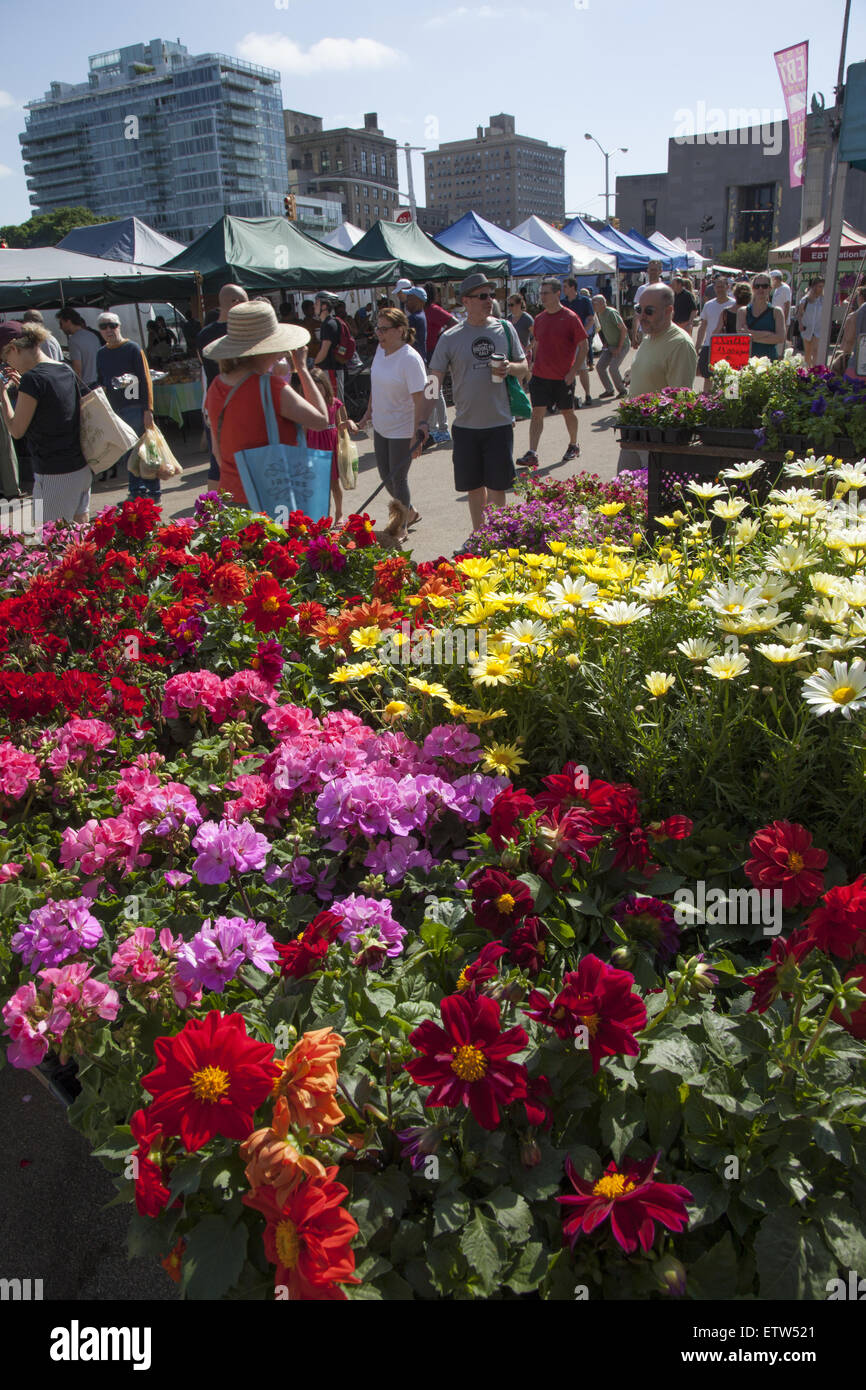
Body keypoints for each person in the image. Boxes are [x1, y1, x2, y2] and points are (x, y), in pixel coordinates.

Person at [429, 273, 529, 544]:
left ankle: (499, 536)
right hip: (466, 425)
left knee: (498, 486)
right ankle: (480, 535)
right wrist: (423, 409)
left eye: (491, 296)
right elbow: (434, 374)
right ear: (466, 301)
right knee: (474, 487)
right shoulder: (450, 337)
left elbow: (524, 367)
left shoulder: (505, 329)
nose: (489, 301)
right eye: (482, 296)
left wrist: (510, 368)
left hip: (499, 422)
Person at [203, 300, 329, 511]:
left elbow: (217, 451)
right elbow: (321, 420)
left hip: (231, 496)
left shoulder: (216, 385)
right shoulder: (270, 387)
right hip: (271, 496)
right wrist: (302, 369)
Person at [0, 321, 91, 524]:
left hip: (55, 473)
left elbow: (16, 430)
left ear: (14, 348)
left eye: (6, 358)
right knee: (79, 543)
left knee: (51, 547)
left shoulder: (32, 380)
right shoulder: (63, 368)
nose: (8, 364)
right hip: (81, 468)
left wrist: (2, 396)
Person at [357, 306, 429, 540]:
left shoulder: (410, 359)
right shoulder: (381, 350)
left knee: (398, 479)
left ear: (400, 330)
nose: (379, 333)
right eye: (377, 328)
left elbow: (421, 397)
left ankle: (400, 527)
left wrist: (418, 431)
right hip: (381, 425)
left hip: (403, 428)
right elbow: (375, 384)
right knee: (385, 475)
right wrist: (368, 411)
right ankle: (410, 512)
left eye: (384, 329)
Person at [518, 277, 586, 469]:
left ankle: (574, 445)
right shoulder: (539, 319)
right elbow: (538, 343)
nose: (542, 296)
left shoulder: (570, 318)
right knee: (537, 414)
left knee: (567, 412)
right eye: (541, 293)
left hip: (563, 377)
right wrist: (531, 366)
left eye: (546, 293)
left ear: (558, 294)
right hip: (540, 376)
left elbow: (584, 346)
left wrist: (573, 372)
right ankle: (532, 453)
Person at [95, 312, 156, 502]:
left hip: (135, 406)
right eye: (103, 327)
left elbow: (146, 380)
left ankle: (152, 491)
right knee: (128, 452)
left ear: (119, 326)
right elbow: (102, 380)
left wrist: (148, 410)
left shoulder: (132, 348)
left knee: (144, 451)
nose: (108, 330)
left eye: (112, 325)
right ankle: (136, 491)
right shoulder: (101, 353)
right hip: (116, 409)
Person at [197, 284, 249, 483]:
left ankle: (214, 511)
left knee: (218, 463)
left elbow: (204, 367)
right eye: (245, 301)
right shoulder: (240, 331)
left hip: (214, 402)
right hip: (236, 404)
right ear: (235, 303)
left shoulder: (203, 335)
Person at [306, 364, 359, 528]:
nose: (316, 391)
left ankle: (339, 513)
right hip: (313, 445)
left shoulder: (335, 403)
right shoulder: (306, 404)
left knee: (334, 484)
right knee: (317, 484)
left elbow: (341, 423)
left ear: (325, 386)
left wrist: (349, 423)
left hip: (330, 445)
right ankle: (322, 516)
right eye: (312, 387)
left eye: (319, 387)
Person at [628, 285, 697, 398]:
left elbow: (681, 400)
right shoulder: (649, 336)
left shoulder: (680, 344)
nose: (642, 316)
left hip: (653, 415)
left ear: (668, 311)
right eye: (639, 309)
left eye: (649, 311)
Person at [422, 282, 457, 444]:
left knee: (435, 391)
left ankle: (440, 429)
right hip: (428, 355)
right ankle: (437, 427)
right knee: (432, 391)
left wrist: (441, 337)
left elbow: (454, 322)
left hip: (433, 355)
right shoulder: (425, 310)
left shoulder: (433, 310)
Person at [694, 276, 736, 385]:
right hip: (710, 345)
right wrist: (698, 345)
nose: (720, 289)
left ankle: (731, 400)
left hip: (729, 346)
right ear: (714, 288)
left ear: (728, 287)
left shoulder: (734, 304)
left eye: (722, 286)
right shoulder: (708, 305)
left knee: (731, 379)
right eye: (718, 287)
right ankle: (707, 401)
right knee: (708, 377)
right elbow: (703, 326)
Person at [737, 275, 786, 361]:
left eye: (764, 286)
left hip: (770, 361)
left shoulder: (777, 312)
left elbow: (780, 338)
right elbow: (742, 337)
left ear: (770, 288)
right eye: (757, 286)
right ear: (752, 288)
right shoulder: (743, 311)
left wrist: (750, 333)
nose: (760, 289)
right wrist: (768, 334)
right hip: (748, 362)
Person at [562, 276, 595, 401]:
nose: (563, 289)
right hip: (566, 341)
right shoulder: (563, 303)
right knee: (568, 369)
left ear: (572, 287)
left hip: (579, 341)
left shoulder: (584, 301)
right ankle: (571, 395)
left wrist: (582, 333)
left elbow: (591, 320)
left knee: (581, 368)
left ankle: (588, 394)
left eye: (565, 286)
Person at [592, 294, 628, 397]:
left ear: (602, 304)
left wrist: (619, 348)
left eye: (594, 303)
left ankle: (622, 390)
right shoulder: (599, 314)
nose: (593, 306)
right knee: (600, 367)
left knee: (613, 367)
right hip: (610, 345)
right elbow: (604, 329)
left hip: (622, 345)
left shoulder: (611, 313)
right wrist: (606, 343)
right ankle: (609, 390)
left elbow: (623, 329)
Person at [313, 292, 346, 396]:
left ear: (324, 306)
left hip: (331, 369)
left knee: (335, 402)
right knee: (335, 403)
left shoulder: (328, 325)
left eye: (317, 303)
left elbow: (324, 351)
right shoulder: (329, 323)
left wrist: (314, 364)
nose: (314, 306)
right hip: (332, 369)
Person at [57, 308, 101, 387]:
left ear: (68, 321)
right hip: (98, 383)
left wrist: (76, 390)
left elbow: (77, 370)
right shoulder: (92, 336)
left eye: (61, 323)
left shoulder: (73, 340)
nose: (60, 327)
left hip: (86, 387)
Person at [794, 278, 825, 368]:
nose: (821, 288)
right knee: (808, 351)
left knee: (816, 350)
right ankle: (807, 369)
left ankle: (815, 370)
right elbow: (799, 314)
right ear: (814, 287)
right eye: (820, 286)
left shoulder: (822, 300)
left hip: (818, 328)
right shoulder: (805, 300)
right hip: (807, 327)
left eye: (822, 286)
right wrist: (800, 324)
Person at [632, 261, 665, 343]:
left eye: (655, 270)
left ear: (660, 271)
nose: (652, 272)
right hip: (644, 330)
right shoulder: (641, 289)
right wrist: (634, 334)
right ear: (647, 271)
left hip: (660, 330)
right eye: (650, 270)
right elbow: (637, 313)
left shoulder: (665, 290)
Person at [403, 287, 428, 361]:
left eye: (409, 298)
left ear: (418, 301)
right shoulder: (421, 315)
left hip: (413, 360)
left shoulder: (414, 318)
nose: (406, 301)